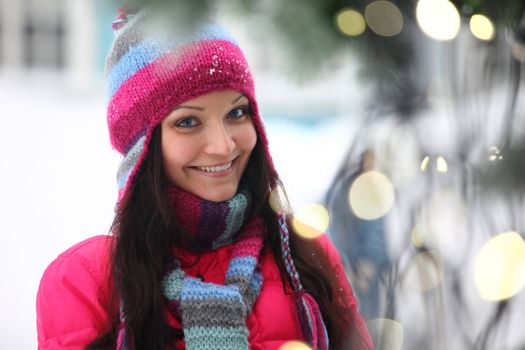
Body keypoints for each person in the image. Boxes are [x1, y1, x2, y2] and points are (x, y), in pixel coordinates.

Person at [36, 6, 374, 350]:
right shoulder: (85, 279)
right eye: (188, 122)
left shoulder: (304, 255)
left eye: (236, 113)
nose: (223, 145)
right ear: (142, 147)